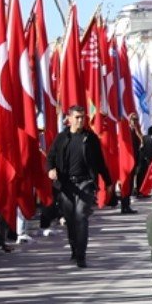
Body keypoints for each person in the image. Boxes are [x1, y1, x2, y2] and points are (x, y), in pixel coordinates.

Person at [47, 106, 111, 268]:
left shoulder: (90, 138)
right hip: (66, 184)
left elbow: (100, 162)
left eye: (82, 117)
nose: (80, 120)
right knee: (70, 219)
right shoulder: (62, 138)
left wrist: (108, 182)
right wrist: (51, 170)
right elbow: (51, 157)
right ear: (69, 119)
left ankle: (81, 255)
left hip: (86, 183)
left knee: (81, 216)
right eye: (77, 117)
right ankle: (74, 249)